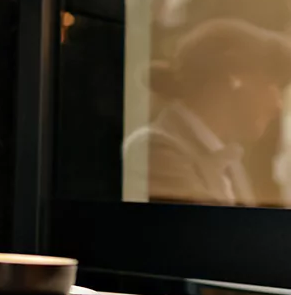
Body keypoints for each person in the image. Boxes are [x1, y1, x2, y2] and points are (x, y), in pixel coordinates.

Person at [123, 18, 291, 207]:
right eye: (272, 85)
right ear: (235, 77)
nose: (278, 105)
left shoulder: (229, 163)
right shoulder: (156, 151)